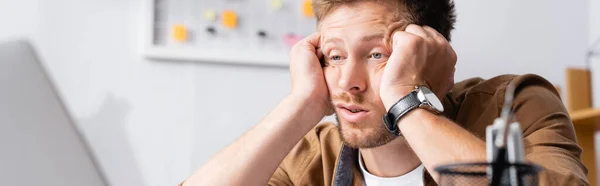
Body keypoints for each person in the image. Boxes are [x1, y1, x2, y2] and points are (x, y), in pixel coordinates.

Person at [181, 0, 589, 185]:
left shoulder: (514, 105)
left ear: (429, 53)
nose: (348, 82)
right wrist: (301, 103)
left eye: (376, 53)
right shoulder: (312, 158)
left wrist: (406, 99)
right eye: (334, 56)